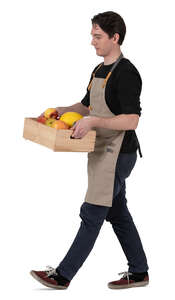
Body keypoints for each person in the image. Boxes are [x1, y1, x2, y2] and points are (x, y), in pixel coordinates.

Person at [30, 11, 149, 290]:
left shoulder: (127, 73)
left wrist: (94, 121)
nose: (92, 42)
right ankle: (140, 271)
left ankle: (62, 275)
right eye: (92, 36)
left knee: (92, 211)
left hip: (118, 154)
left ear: (115, 37)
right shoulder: (98, 70)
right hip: (100, 150)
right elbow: (86, 107)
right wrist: (62, 110)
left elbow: (132, 120)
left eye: (98, 36)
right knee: (117, 212)